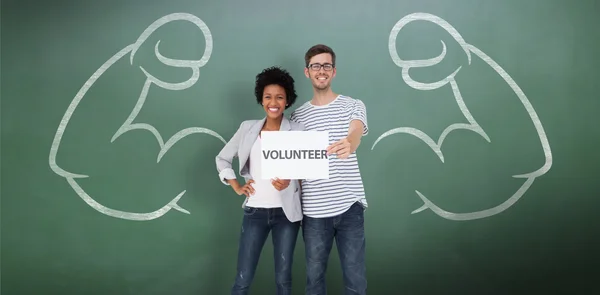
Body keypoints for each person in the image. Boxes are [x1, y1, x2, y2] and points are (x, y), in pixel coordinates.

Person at [215, 66, 305, 295]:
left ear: (287, 101)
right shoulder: (247, 129)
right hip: (255, 211)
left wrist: (290, 179)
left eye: (279, 97)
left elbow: (307, 169)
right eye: (268, 97)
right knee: (243, 277)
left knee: (283, 279)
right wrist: (235, 184)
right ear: (261, 100)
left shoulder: (298, 130)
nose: (273, 102)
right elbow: (223, 158)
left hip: (287, 214)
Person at [290, 44, 369, 295]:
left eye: (326, 65)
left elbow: (356, 131)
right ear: (307, 72)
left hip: (349, 208)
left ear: (333, 71)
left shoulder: (353, 105)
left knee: (356, 282)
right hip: (313, 213)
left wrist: (350, 142)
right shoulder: (297, 118)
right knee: (314, 282)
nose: (321, 70)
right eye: (316, 66)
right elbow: (296, 166)